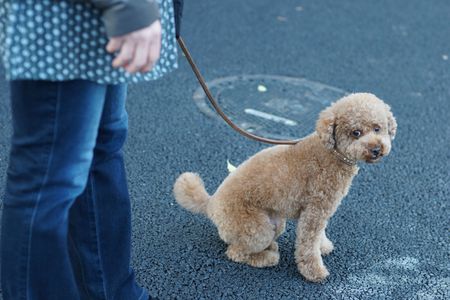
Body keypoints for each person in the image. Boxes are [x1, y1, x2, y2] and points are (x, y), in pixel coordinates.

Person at [0, 0, 178, 299]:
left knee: (100, 148)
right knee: (48, 177)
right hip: (66, 17)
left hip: (94, 18)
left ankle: (112, 293)